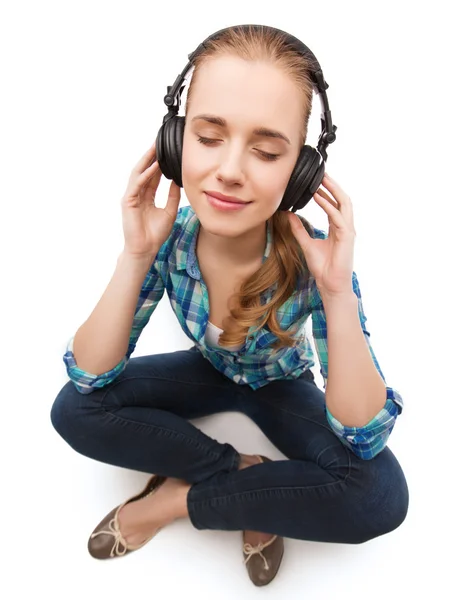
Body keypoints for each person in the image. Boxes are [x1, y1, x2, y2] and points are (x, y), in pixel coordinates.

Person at [50, 24, 409, 587]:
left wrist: (337, 294)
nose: (231, 170)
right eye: (209, 137)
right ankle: (243, 477)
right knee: (72, 409)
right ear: (175, 140)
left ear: (300, 172)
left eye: (266, 151)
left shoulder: (318, 264)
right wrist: (136, 253)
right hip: (209, 373)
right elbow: (91, 375)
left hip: (279, 388)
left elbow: (363, 434)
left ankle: (176, 501)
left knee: (381, 496)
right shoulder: (168, 234)